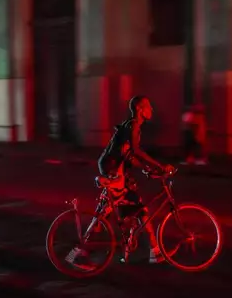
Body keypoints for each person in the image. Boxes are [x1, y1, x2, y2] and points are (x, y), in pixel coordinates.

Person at [69, 95, 174, 269]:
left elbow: (128, 155)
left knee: (140, 209)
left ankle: (155, 251)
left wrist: (147, 168)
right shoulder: (133, 126)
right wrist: (159, 166)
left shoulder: (131, 125)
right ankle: (76, 255)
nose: (151, 110)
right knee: (103, 214)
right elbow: (136, 151)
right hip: (114, 173)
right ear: (140, 109)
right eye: (148, 106)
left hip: (117, 172)